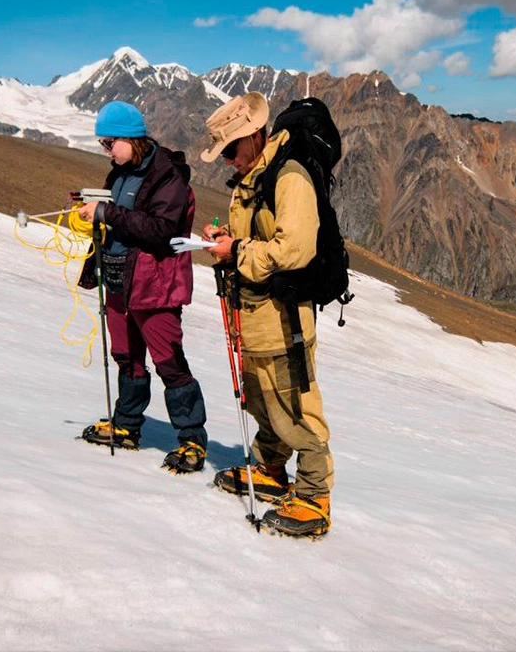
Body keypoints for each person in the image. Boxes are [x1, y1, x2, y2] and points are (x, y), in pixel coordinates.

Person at [200, 92, 335, 538]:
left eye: (231, 150)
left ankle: (315, 496)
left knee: (294, 407)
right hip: (254, 316)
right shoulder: (254, 176)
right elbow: (254, 240)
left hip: (283, 319)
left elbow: (294, 249)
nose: (226, 161)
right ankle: (272, 471)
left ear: (254, 137)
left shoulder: (288, 176)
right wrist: (225, 240)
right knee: (263, 401)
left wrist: (234, 250)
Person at [75, 100, 208, 475]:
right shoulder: (117, 175)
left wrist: (106, 213)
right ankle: (126, 426)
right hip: (119, 278)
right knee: (127, 357)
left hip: (155, 283)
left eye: (108, 142)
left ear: (130, 138)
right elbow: (113, 224)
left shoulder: (168, 177)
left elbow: (160, 229)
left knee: (169, 362)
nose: (105, 150)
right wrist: (93, 255)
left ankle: (192, 442)